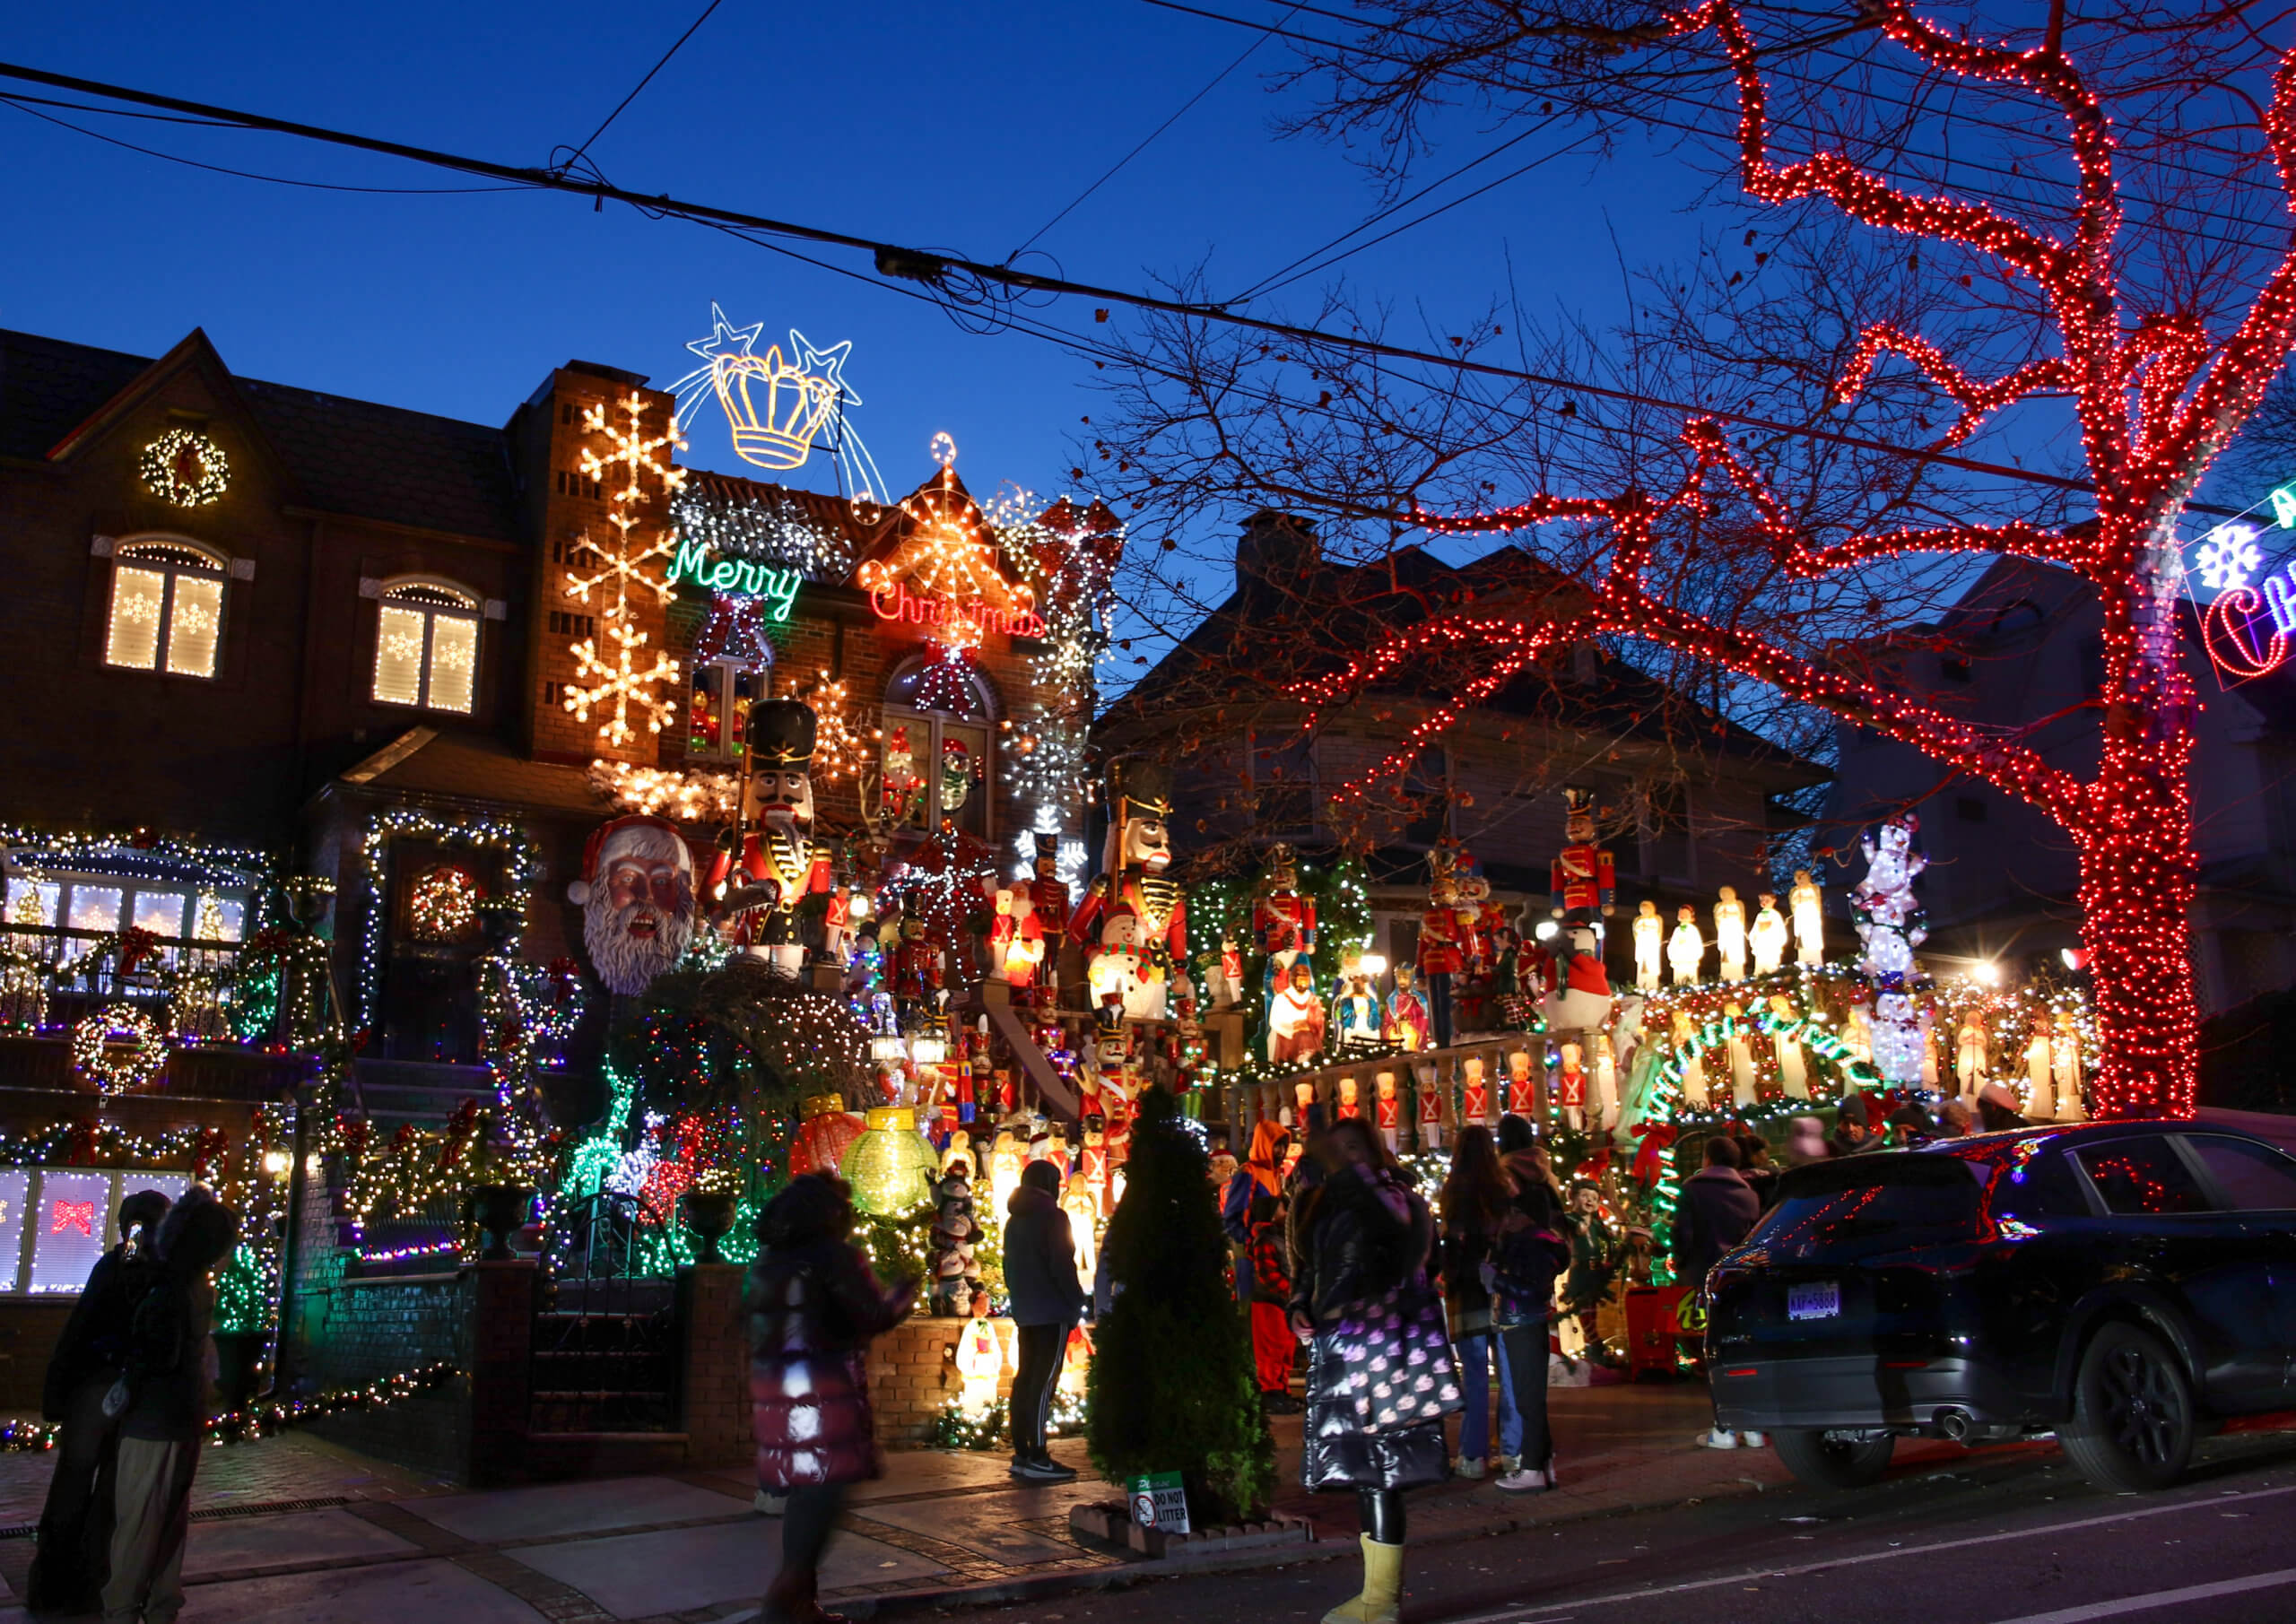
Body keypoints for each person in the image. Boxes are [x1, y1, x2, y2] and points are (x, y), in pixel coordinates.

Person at [1289, 1119, 1457, 1624]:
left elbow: (1416, 1256)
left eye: (1350, 1147)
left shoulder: (1393, 1199)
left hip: (1384, 1350)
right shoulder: (1332, 1202)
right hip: (1349, 1348)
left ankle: (1381, 1602)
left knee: (1381, 1469)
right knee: (1369, 1472)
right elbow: (1313, 1267)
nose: (1342, 1157)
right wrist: (1300, 1306)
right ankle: (1375, 1597)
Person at [749, 1173, 915, 1624]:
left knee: (807, 1493)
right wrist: (904, 1292)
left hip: (775, 1388)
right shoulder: (834, 1256)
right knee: (825, 1492)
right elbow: (872, 1314)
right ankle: (785, 1602)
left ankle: (800, 1604)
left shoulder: (769, 1259)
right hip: (822, 1389)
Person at [30, 1189, 170, 1614]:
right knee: (110, 1488)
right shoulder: (162, 1275)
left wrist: (58, 1392)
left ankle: (54, 1585)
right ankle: (91, 1581)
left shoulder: (112, 1267)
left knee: (74, 1482)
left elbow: (79, 1328)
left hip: (94, 1386)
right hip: (130, 1392)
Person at [102, 1185, 238, 1624]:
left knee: (137, 1525)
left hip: (152, 1421)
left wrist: (126, 1373)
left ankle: (121, 1610)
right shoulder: (198, 1287)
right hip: (184, 1419)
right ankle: (161, 1606)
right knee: (168, 1523)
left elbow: (155, 1355)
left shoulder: (168, 1290)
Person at [1491, 1118, 1570, 1493]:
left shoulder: (1511, 1192)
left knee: (1526, 1391)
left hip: (1520, 1305)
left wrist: (1493, 1277)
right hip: (1541, 1297)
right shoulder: (1546, 1182)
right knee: (1531, 1387)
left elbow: (1515, 1272)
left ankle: (1533, 1465)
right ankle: (1543, 1461)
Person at [1438, 1125, 1520, 1480]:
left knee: (1473, 1376)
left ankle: (1472, 1457)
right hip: (1500, 1288)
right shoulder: (1504, 1189)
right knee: (1509, 1374)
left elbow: (1450, 1243)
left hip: (1466, 1291)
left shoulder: (1454, 1191)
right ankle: (1515, 1451)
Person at [1673, 1138, 1763, 1451]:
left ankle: (1724, 1427)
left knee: (1715, 1351)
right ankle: (1752, 1425)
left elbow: (1682, 1235)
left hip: (1707, 1277)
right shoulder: (1748, 1194)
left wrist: (1683, 1264)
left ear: (1707, 1158)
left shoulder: (1693, 1191)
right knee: (1743, 1350)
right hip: (1742, 1279)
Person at [1003, 1159, 1090, 1482]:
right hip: (1052, 1310)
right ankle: (1038, 1456)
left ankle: (1022, 1452)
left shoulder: (1015, 1220)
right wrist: (1077, 1302)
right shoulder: (1053, 1217)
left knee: (1026, 1378)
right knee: (1044, 1381)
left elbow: (1009, 1267)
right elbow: (1062, 1265)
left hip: (1026, 1311)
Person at [1222, 1120, 1291, 1303]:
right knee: (1251, 1304)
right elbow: (1232, 1216)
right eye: (1277, 1146)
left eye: (1284, 1147)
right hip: (1251, 1252)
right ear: (1265, 1143)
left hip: (1270, 1249)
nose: (1281, 1152)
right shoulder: (1248, 1172)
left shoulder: (1275, 1174)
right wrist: (1248, 1241)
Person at [1246, 1192, 1300, 1412]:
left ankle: (1282, 1390)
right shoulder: (1266, 1239)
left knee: (1285, 1348)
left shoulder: (1280, 1237)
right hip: (1270, 1303)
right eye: (1280, 1209)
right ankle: (1270, 1393)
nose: (1285, 1213)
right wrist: (1290, 1291)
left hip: (1282, 1302)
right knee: (1271, 1350)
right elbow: (1267, 1275)